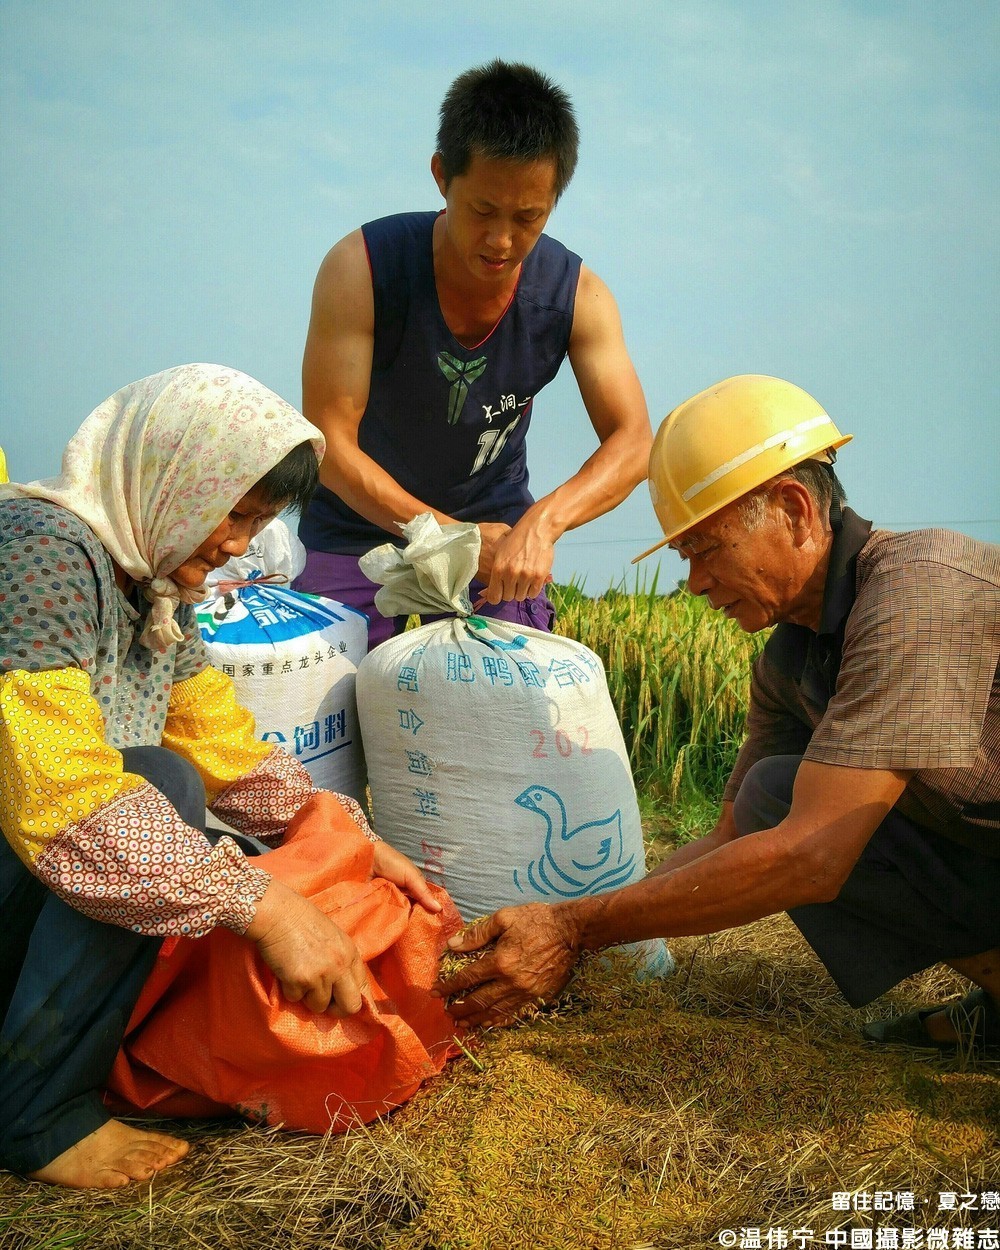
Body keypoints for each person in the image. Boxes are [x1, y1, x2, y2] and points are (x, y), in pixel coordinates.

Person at [435, 374, 1000, 1055]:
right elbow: (735, 831)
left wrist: (574, 927)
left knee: (805, 818)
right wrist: (589, 935)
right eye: (684, 556)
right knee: (771, 795)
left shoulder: (920, 591)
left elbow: (812, 856)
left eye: (705, 548)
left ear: (795, 510)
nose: (696, 583)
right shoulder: (791, 661)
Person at [0, 364, 442, 1190]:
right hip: (30, 826)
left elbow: (222, 745)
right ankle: (35, 1115)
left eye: (261, 520)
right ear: (173, 474)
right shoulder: (41, 559)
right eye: (234, 512)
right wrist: (267, 908)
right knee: (158, 791)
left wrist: (348, 835)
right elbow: (60, 795)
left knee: (175, 793)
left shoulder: (152, 584)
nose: (240, 542)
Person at [293, 59, 652, 648]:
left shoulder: (578, 296)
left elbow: (633, 440)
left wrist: (542, 524)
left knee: (498, 722)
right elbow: (329, 443)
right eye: (482, 211)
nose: (501, 240)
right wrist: (445, 535)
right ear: (441, 176)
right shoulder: (359, 268)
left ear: (554, 200)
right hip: (356, 528)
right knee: (321, 712)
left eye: (528, 217)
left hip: (496, 539)